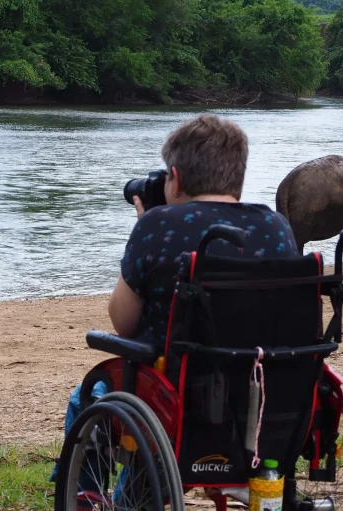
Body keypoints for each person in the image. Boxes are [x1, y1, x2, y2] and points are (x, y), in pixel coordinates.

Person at [51, 114, 299, 483]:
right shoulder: (275, 227)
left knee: (89, 396)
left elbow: (124, 322)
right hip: (262, 389)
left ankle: (88, 497)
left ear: (177, 178)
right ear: (239, 178)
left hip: (176, 390)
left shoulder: (157, 225)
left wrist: (143, 226)